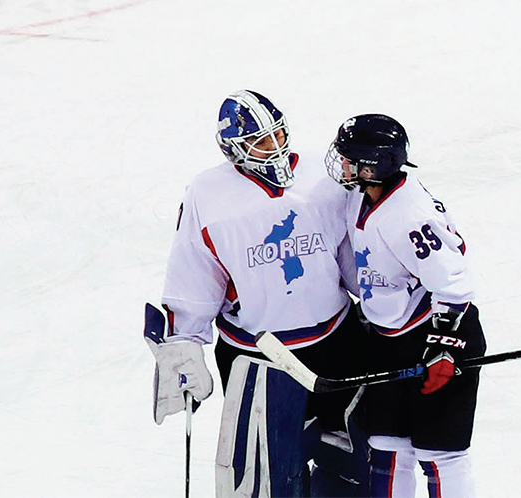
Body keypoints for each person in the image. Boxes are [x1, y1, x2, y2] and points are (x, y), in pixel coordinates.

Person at [146, 90, 369, 497]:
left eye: (280, 134)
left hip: (337, 342)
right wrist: (184, 341)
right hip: (257, 356)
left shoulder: (324, 179)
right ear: (234, 148)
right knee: (265, 472)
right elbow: (193, 271)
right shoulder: (208, 195)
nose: (277, 147)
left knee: (351, 458)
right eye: (263, 141)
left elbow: (352, 253)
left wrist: (390, 305)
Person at [324, 114, 487, 497]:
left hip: (437, 335)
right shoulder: (362, 198)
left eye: (351, 159)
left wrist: (444, 347)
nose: (343, 166)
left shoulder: (409, 215)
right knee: (386, 450)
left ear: (372, 166)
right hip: (389, 340)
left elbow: (454, 283)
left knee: (440, 455)